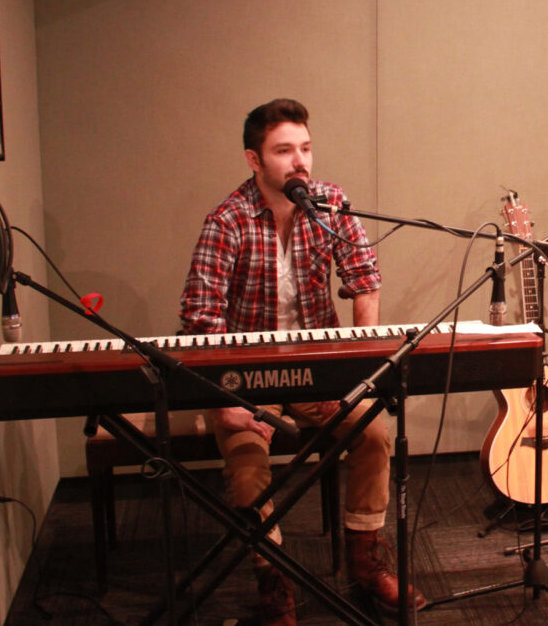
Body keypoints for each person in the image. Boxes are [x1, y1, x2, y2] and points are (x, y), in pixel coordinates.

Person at [179, 98, 425, 623]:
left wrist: (360, 369)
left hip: (320, 371)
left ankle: (364, 562)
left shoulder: (330, 204)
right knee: (247, 474)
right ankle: (273, 580)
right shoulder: (228, 220)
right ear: (254, 160)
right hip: (246, 380)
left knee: (376, 436)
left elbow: (364, 279)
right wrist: (225, 402)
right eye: (284, 150)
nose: (300, 162)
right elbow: (201, 320)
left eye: (306, 148)